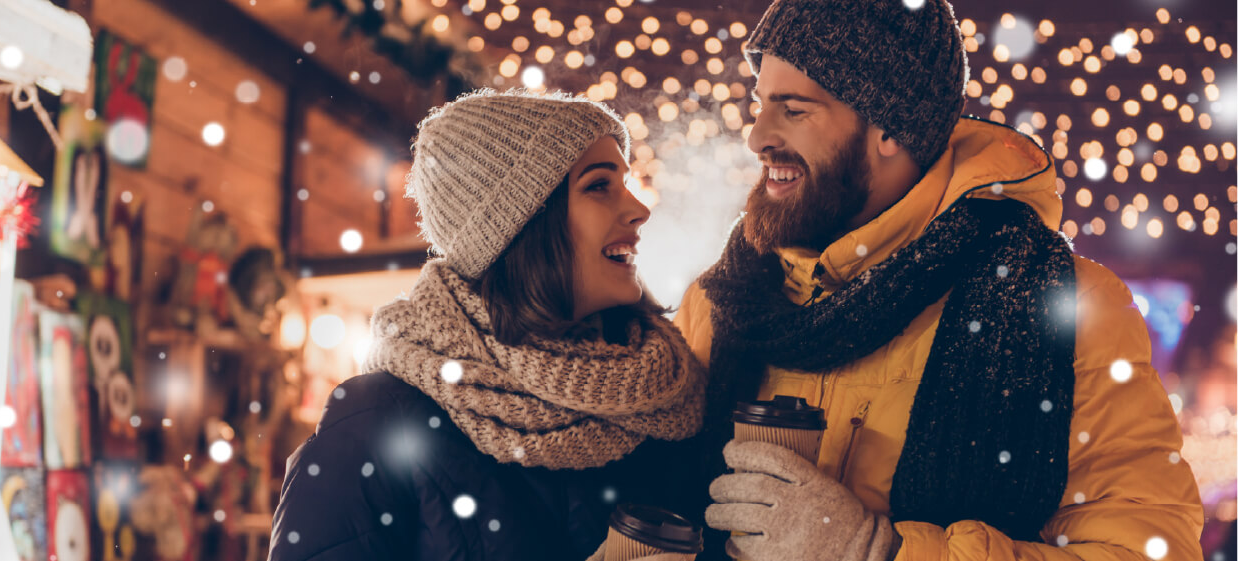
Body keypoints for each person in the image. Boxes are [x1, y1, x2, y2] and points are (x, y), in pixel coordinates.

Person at [674, 1, 1205, 561]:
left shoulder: (1062, 307)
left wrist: (878, 551)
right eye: (759, 104)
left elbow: (1150, 551)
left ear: (890, 128)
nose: (757, 136)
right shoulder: (720, 301)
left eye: (794, 109)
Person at [268, 90, 706, 561]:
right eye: (599, 185)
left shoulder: (667, 403)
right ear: (520, 225)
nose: (639, 209)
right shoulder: (378, 422)